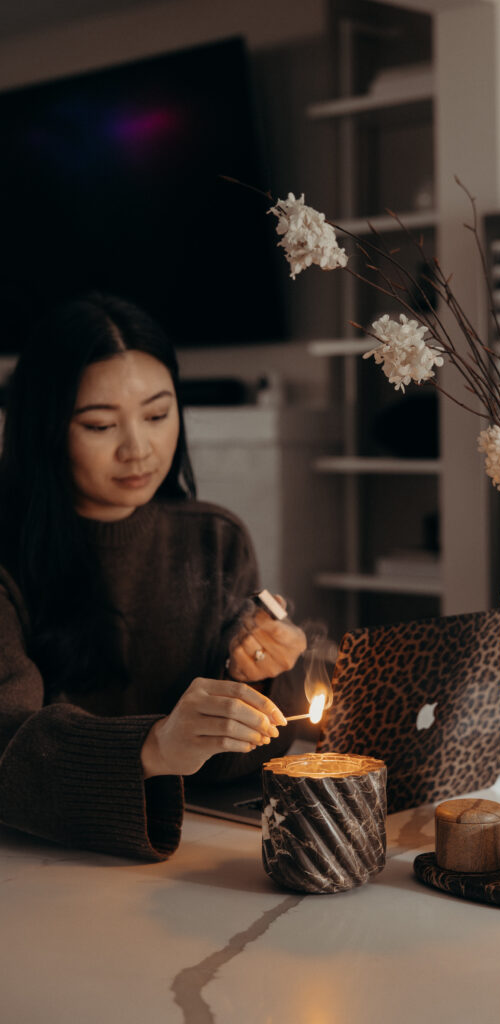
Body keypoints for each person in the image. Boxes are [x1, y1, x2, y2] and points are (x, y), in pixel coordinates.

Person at [0, 292, 307, 861]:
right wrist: (156, 746)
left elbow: (241, 765)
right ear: (44, 429)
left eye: (158, 415)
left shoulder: (215, 538)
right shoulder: (9, 559)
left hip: (196, 860)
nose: (138, 448)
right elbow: (7, 745)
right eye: (98, 425)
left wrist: (266, 673)